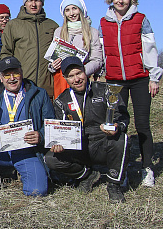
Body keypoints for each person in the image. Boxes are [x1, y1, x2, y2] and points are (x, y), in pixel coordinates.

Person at [99, 0, 161, 187]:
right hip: (115, 81)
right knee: (118, 125)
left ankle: (147, 168)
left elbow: (150, 48)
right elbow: (102, 50)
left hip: (139, 79)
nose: (121, 0)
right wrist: (100, 73)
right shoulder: (103, 22)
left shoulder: (140, 19)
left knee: (142, 124)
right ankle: (122, 170)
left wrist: (154, 77)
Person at [45, 57, 129, 203]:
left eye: (79, 73)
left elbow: (123, 118)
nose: (76, 79)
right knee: (51, 159)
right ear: (65, 78)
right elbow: (60, 131)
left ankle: (114, 184)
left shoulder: (105, 90)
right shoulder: (61, 101)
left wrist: (117, 126)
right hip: (79, 148)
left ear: (85, 72)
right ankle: (86, 175)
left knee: (122, 139)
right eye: (71, 76)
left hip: (103, 143)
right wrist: (59, 144)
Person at [0, 57, 54, 196]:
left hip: (26, 151)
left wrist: (40, 135)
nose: (12, 78)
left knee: (37, 191)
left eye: (15, 73)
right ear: (1, 78)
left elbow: (50, 123)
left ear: (22, 73)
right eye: (7, 75)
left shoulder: (39, 94)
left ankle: (15, 170)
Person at [1, 0, 58, 97]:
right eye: (30, 0)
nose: (33, 4)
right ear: (24, 3)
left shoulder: (52, 25)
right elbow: (6, 53)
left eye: (37, 0)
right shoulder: (13, 25)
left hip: (47, 88)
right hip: (22, 86)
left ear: (42, 3)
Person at [49, 0, 103, 98]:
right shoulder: (59, 32)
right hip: (62, 80)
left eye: (74, 8)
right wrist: (52, 66)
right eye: (67, 10)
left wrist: (81, 72)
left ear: (81, 10)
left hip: (81, 80)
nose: (71, 13)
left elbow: (97, 60)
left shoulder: (92, 32)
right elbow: (52, 58)